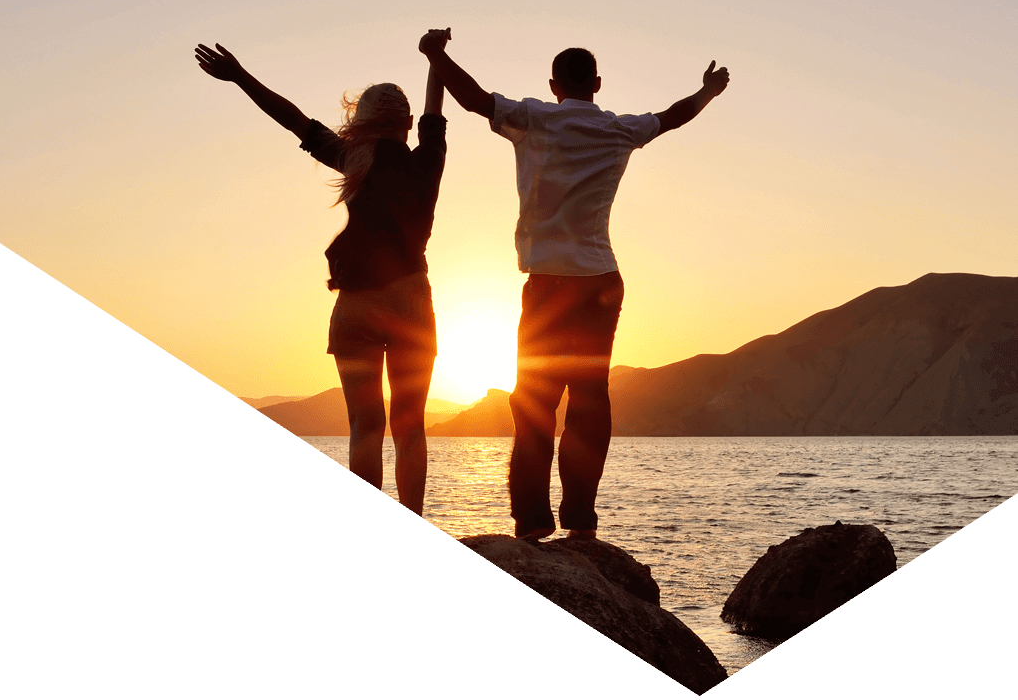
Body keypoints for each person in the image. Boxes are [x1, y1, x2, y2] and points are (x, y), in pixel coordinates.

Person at [418, 29, 730, 540]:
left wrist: (437, 54)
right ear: (598, 84)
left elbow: (473, 100)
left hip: (548, 285)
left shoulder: (534, 117)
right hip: (600, 282)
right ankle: (581, 520)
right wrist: (707, 92)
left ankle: (532, 523)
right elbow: (673, 116)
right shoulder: (618, 129)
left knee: (535, 402)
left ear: (554, 84)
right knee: (590, 401)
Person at [195, 41, 449, 514]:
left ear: (363, 122)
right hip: (410, 303)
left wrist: (240, 75)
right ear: (408, 124)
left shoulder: (354, 158)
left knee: (364, 427)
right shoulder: (427, 160)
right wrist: (435, 60)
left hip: (355, 307)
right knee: (410, 426)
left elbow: (291, 118)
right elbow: (436, 111)